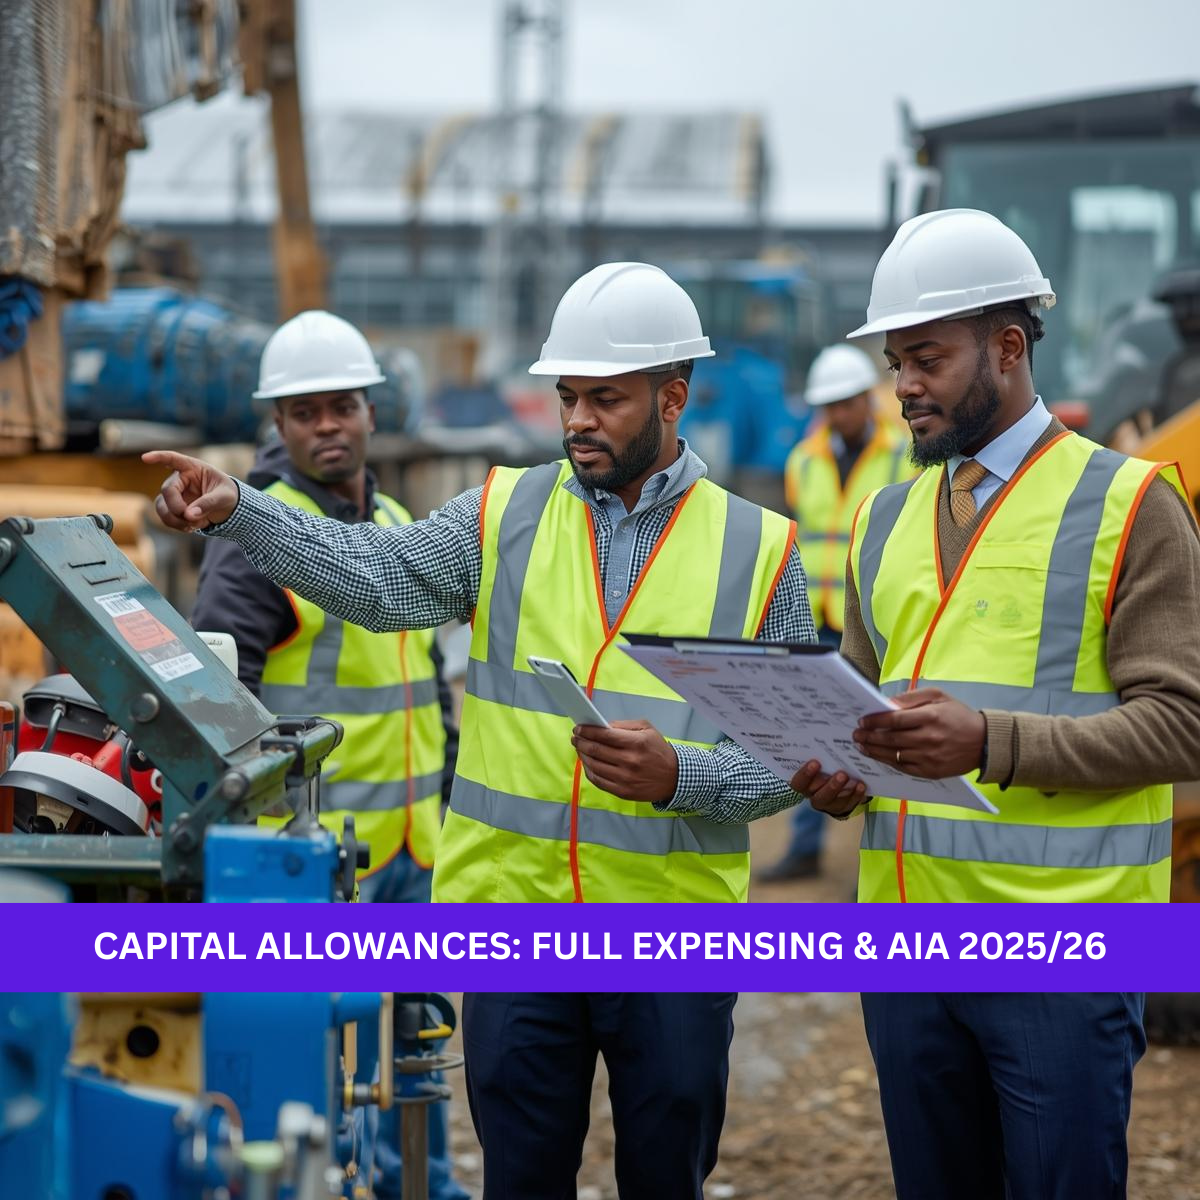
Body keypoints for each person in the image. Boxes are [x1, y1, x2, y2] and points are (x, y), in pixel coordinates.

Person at [146, 262, 856, 1200]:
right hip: (515, 929)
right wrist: (246, 511)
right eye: (568, 396)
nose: (577, 421)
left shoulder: (759, 548)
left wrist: (679, 776)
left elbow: (788, 757)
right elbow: (377, 576)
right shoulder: (502, 512)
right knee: (520, 1178)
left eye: (604, 398)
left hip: (672, 933)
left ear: (672, 397)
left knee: (666, 1174)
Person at [804, 208, 1200, 1198]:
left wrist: (989, 740)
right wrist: (831, 769)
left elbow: (1183, 725)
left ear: (1009, 347)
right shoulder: (884, 517)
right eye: (896, 361)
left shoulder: (1132, 504)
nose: (904, 386)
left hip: (1063, 957)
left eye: (926, 358)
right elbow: (857, 700)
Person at [188, 309, 465, 1200]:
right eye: (304, 413)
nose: (327, 426)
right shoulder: (259, 538)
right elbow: (217, 703)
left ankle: (423, 1184)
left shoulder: (390, 518)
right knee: (328, 1070)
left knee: (416, 1059)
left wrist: (451, 790)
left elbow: (423, 681)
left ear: (370, 411)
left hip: (412, 848)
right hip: (317, 857)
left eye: (341, 406)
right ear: (278, 424)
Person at [758, 343, 915, 883]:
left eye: (846, 403)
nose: (839, 415)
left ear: (867, 399)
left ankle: (873, 862)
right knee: (815, 736)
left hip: (875, 620)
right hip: (818, 615)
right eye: (830, 406)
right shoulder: (803, 459)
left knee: (880, 735)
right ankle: (806, 848)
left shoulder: (905, 455)